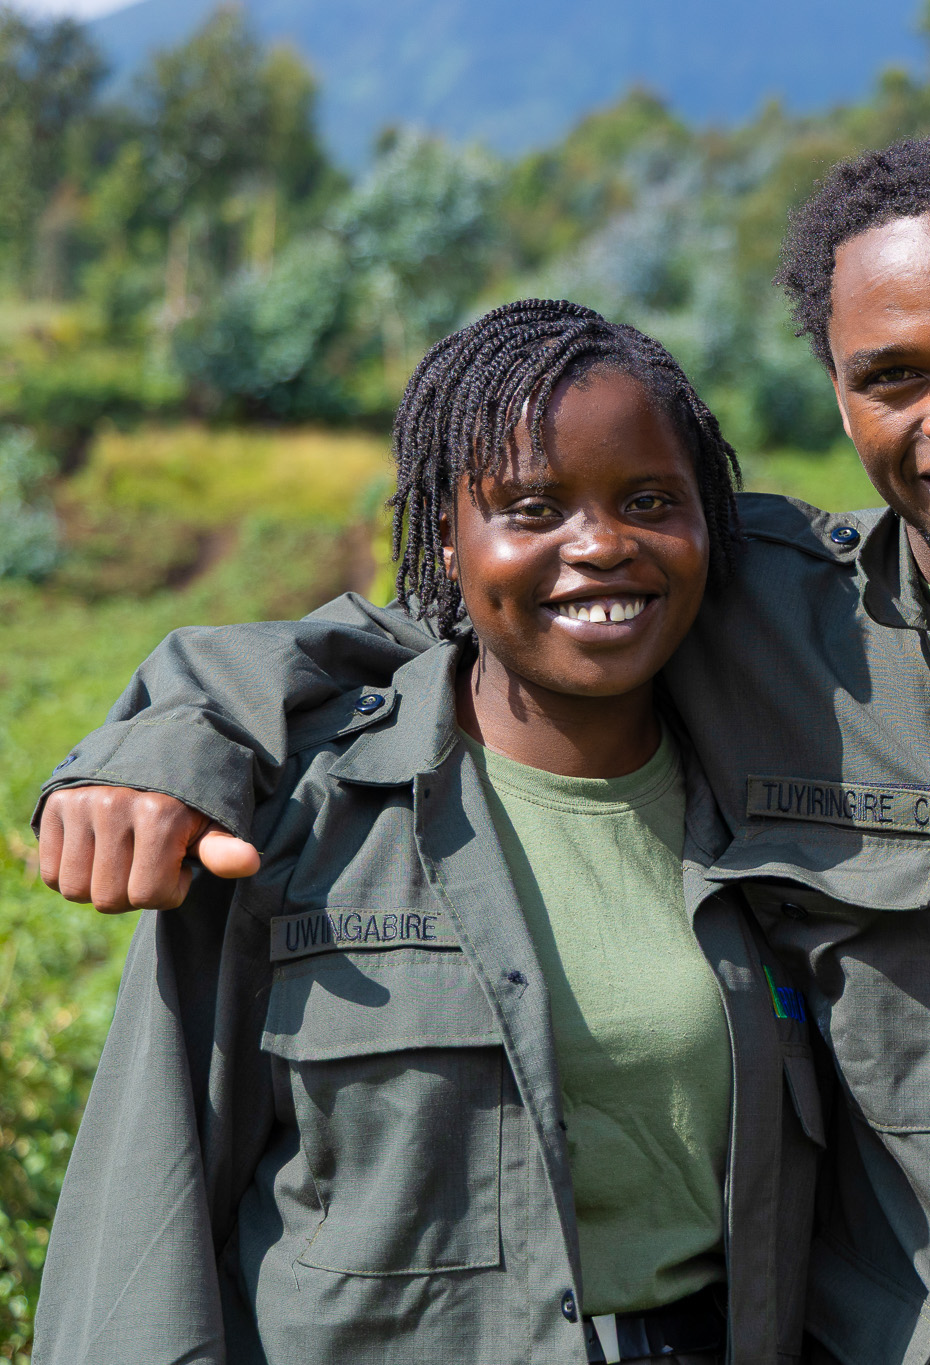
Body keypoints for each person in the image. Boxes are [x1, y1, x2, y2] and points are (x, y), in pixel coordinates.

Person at [38, 132, 930, 1364]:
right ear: (841, 398)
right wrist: (183, 717)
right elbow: (479, 626)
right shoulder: (781, 617)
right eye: (895, 373)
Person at [31, 302, 822, 1365]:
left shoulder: (778, 804)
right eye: (532, 506)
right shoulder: (290, 819)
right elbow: (147, 1210)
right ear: (447, 539)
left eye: (648, 501)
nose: (598, 545)